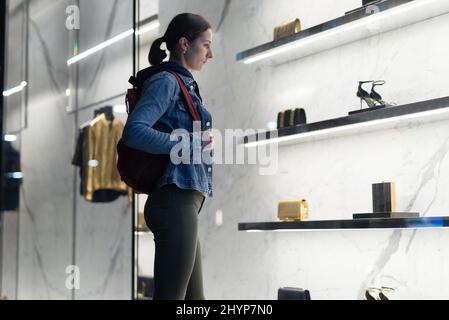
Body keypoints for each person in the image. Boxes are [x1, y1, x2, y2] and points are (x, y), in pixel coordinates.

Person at [121, 13, 214, 300]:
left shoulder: (185, 85)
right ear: (184, 44)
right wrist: (187, 143)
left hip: (183, 202)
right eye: (206, 44)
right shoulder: (167, 81)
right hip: (174, 201)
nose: (211, 53)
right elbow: (134, 132)